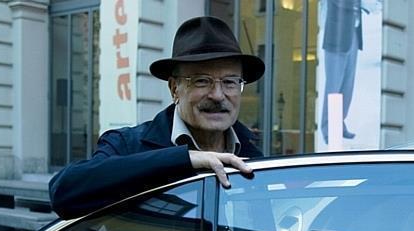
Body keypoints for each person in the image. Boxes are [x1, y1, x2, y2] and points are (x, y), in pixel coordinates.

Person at [49, 16, 265, 219]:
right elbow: (64, 192)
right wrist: (183, 159)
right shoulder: (128, 145)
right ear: (174, 89)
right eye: (201, 81)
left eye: (230, 82)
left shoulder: (252, 152)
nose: (218, 95)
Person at [320, 0, 363, 144]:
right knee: (333, 88)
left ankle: (339, 124)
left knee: (347, 86)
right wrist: (357, 4)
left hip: (352, 34)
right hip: (336, 38)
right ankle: (327, 128)